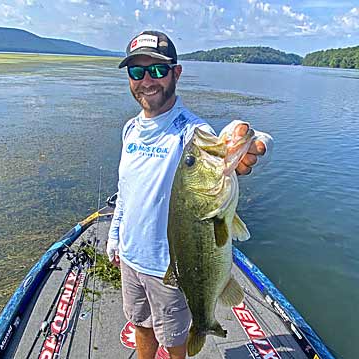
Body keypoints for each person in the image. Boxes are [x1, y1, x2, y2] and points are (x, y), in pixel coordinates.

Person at [107, 30, 272, 359]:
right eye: (137, 72)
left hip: (171, 269)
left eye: (157, 70)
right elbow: (125, 191)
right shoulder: (130, 129)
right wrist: (115, 234)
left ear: (176, 73)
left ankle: (201, 325)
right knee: (140, 324)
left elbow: (234, 141)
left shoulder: (191, 132)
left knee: (173, 338)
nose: (147, 80)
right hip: (130, 259)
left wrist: (251, 137)